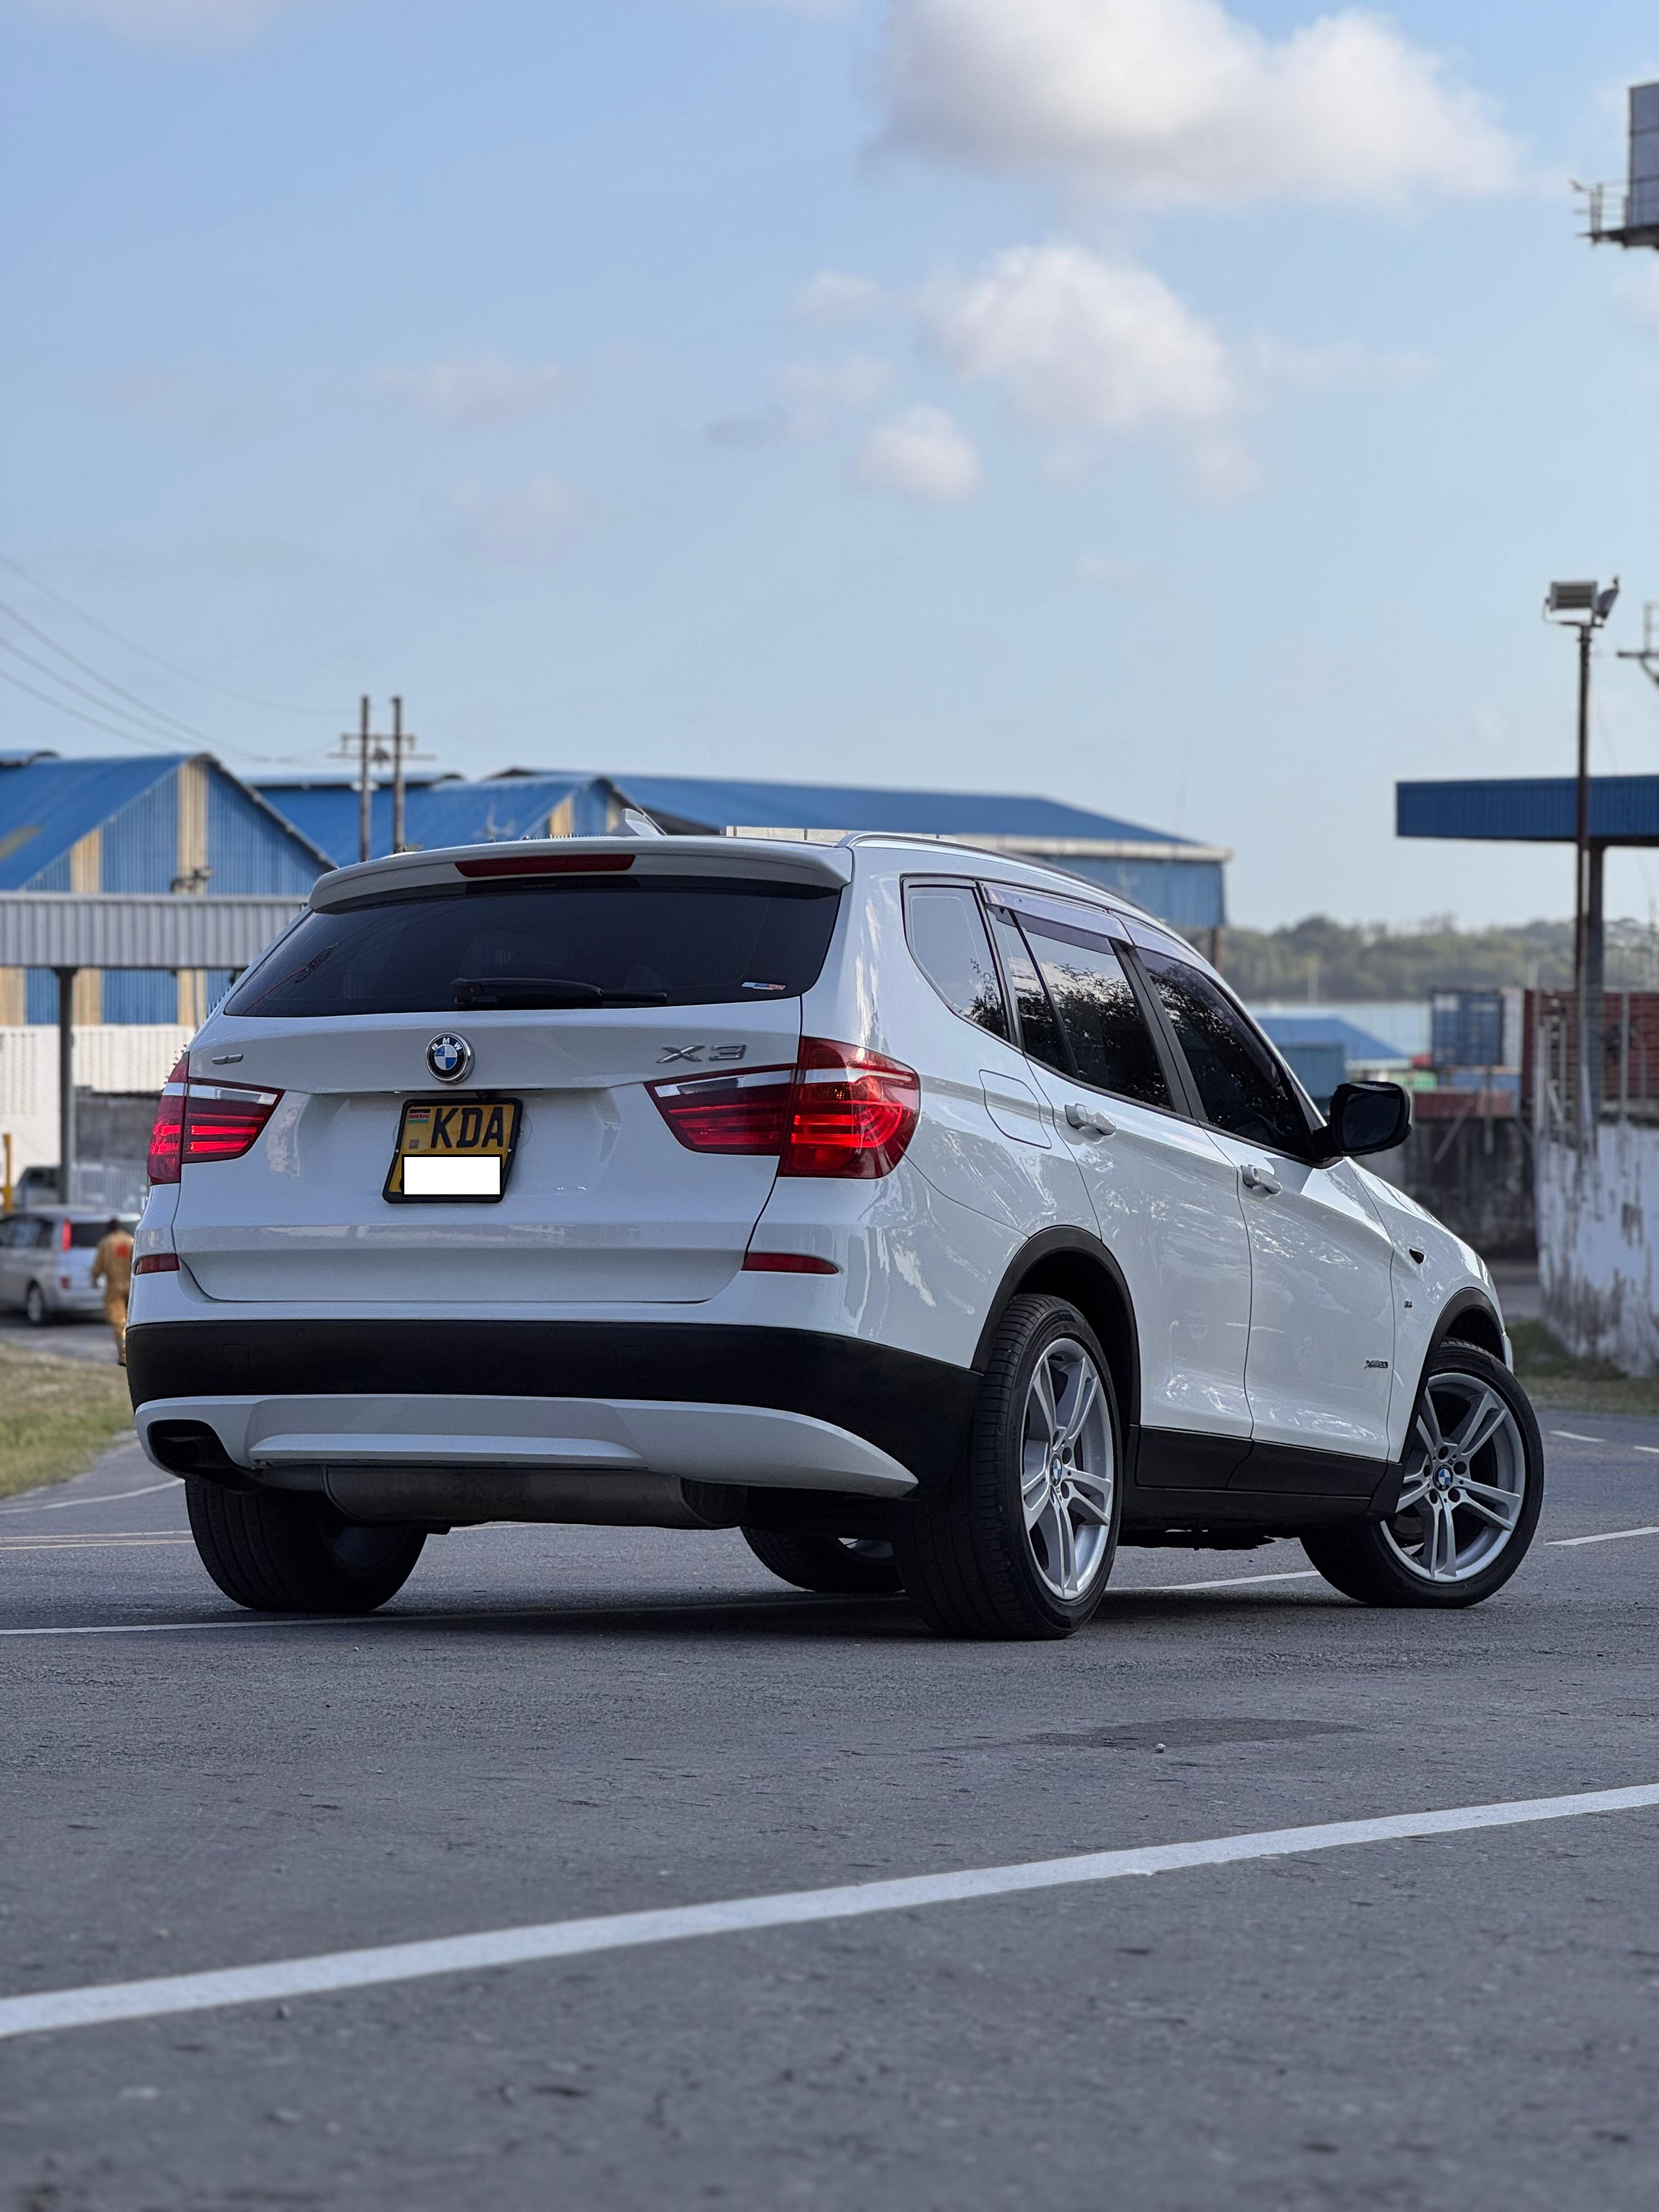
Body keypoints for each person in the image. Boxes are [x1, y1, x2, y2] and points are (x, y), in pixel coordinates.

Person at [91, 1217, 134, 1366]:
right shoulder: (131, 1240)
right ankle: (135, 1351)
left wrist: (95, 1278)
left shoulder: (106, 1244)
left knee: (118, 1322)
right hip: (132, 1287)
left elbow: (97, 1268)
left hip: (115, 1289)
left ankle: (124, 1355)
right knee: (132, 1322)